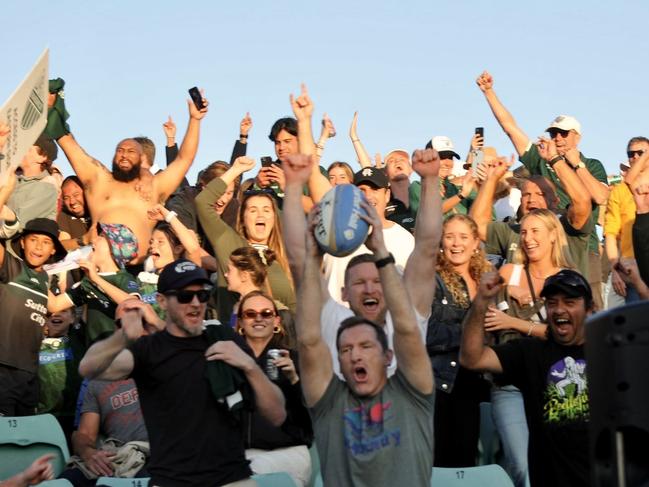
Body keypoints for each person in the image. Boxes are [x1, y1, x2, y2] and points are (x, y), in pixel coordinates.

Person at [78, 259, 286, 486]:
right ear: (162, 301)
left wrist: (250, 366)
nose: (196, 303)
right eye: (185, 296)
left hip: (231, 478)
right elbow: (88, 368)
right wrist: (123, 336)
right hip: (172, 480)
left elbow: (277, 415)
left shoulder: (225, 339)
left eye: (203, 295)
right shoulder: (149, 350)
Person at [295, 198, 435, 487]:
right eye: (346, 350)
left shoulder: (413, 395)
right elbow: (309, 341)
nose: (355, 356)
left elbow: (407, 328)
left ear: (388, 356)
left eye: (366, 347)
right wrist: (311, 258)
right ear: (339, 363)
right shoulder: (329, 404)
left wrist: (381, 251)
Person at [281, 149, 441, 378]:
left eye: (378, 280)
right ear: (344, 293)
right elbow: (298, 259)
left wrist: (430, 180)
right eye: (359, 282)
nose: (369, 288)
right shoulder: (334, 323)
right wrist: (294, 185)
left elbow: (427, 249)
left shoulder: (404, 326)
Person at [476, 70, 608, 309]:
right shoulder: (541, 161)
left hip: (579, 243)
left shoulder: (591, 164)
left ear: (577, 137)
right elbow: (511, 129)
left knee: (587, 306)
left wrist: (573, 163)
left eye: (563, 133)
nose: (557, 138)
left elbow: (598, 197)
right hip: (539, 240)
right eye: (553, 133)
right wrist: (489, 93)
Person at [460, 269, 594, 487]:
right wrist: (481, 301)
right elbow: (471, 359)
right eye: (552, 303)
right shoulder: (530, 352)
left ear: (590, 309)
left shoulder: (608, 351)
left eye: (569, 302)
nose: (559, 309)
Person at [48, 88, 209, 264]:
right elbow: (68, 143)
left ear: (142, 159)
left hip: (139, 271)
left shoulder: (155, 186)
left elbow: (184, 159)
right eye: (120, 150)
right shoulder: (99, 180)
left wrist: (195, 120)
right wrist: (52, 106)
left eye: (131, 151)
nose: (124, 154)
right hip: (101, 266)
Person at [482, 209, 576, 487]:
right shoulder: (510, 272)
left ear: (552, 236)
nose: (528, 238)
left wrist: (514, 322)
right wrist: (505, 290)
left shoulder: (568, 278)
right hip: (509, 384)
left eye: (535, 231)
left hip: (555, 385)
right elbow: (487, 315)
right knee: (523, 467)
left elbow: (568, 335)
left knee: (559, 463)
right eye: (524, 231)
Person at [426, 215, 492, 467]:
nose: (456, 244)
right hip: (443, 384)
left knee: (468, 463)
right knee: (442, 464)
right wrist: (474, 334)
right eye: (450, 236)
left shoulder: (486, 277)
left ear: (476, 242)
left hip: (477, 382)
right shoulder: (433, 279)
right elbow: (427, 333)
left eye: (463, 237)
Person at [196, 156, 296, 321]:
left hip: (278, 343)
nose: (260, 214)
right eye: (253, 210)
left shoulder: (283, 255)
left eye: (266, 209)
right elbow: (203, 202)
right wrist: (234, 170)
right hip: (236, 342)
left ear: (274, 217)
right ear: (242, 219)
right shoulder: (229, 243)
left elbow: (295, 311)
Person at [470, 145, 593, 279]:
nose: (532, 199)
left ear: (556, 201)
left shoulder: (566, 228)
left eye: (541, 194)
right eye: (526, 194)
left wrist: (555, 160)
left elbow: (583, 201)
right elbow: (477, 225)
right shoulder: (513, 231)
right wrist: (492, 179)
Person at [235, 290, 313, 486]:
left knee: (243, 475)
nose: (258, 318)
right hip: (241, 454)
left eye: (266, 313)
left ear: (277, 321)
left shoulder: (295, 359)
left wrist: (295, 380)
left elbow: (314, 416)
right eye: (250, 314)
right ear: (241, 322)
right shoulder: (231, 359)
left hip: (289, 451)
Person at [0, 217, 67, 416]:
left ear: (53, 250)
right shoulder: (11, 267)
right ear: (22, 242)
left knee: (25, 438)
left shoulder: (44, 279)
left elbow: (56, 304)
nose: (38, 247)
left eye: (46, 242)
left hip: (30, 372)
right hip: (3, 367)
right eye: (33, 239)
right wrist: (7, 190)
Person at [48, 223, 142, 345]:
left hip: (118, 353)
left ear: (114, 250)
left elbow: (134, 304)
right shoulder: (88, 281)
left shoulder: (123, 278)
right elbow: (54, 305)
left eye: (102, 236)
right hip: (94, 354)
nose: (94, 239)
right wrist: (37, 271)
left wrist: (97, 279)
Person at [59, 378, 149, 487]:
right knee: (65, 481)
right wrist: (88, 453)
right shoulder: (95, 384)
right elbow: (84, 434)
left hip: (159, 453)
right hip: (119, 456)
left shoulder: (158, 368)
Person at [604, 136, 649, 305]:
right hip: (632, 268)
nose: (635, 157)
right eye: (631, 154)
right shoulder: (619, 192)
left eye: (641, 153)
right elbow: (610, 235)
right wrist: (615, 269)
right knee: (638, 325)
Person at [38, 308, 86, 444]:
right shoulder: (32, 342)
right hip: (44, 417)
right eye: (49, 312)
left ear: (73, 318)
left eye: (63, 311)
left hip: (77, 417)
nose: (56, 314)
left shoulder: (79, 338)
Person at [57, 176, 92, 250]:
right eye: (66, 198)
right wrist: (84, 240)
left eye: (76, 195)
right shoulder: (64, 215)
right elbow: (62, 244)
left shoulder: (96, 209)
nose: (72, 202)